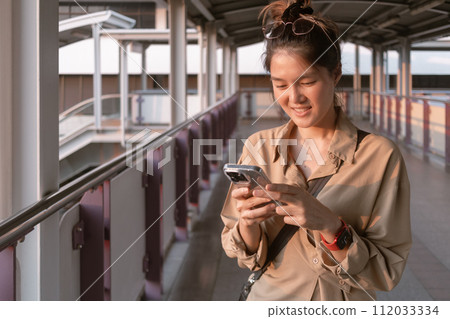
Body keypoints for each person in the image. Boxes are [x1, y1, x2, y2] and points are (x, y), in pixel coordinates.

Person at [220, 0, 411, 301]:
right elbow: (248, 259)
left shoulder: (381, 156)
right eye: (279, 84)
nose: (293, 97)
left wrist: (331, 226)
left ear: (335, 75)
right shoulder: (259, 147)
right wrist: (246, 222)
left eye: (306, 82)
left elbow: (387, 271)